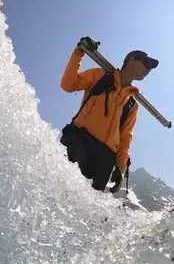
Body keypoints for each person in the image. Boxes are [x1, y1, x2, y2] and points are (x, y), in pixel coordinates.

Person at [59, 36, 158, 192]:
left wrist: (121, 164)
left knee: (88, 206)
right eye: (146, 64)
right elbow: (68, 84)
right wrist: (79, 53)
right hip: (80, 138)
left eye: (150, 68)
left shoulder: (132, 104)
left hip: (106, 156)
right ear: (131, 59)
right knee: (59, 183)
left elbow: (126, 137)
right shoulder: (100, 76)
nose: (148, 69)